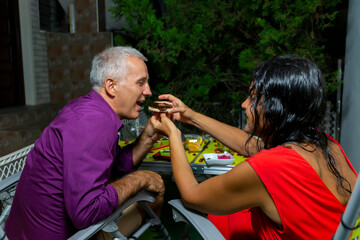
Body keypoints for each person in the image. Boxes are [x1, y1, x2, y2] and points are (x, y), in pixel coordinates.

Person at [151, 56, 358, 239]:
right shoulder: (324, 144)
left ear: (275, 108)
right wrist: (190, 116)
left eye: (252, 98)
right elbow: (253, 147)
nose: (243, 104)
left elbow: (191, 194)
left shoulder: (272, 167)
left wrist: (173, 134)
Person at [5, 46, 165, 239]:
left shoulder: (88, 108)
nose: (148, 91)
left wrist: (147, 138)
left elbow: (115, 167)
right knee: (154, 196)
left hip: (23, 233)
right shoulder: (93, 124)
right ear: (111, 86)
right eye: (141, 82)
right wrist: (141, 179)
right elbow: (86, 211)